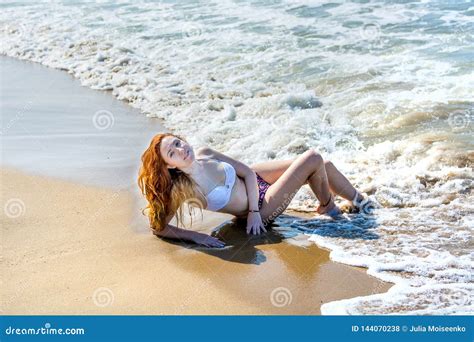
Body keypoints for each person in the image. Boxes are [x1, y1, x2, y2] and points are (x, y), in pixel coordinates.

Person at [138, 133, 367, 247]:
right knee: (313, 158)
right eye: (172, 153)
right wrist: (197, 237)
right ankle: (328, 207)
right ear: (169, 165)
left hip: (255, 181)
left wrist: (255, 210)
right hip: (260, 206)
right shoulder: (183, 190)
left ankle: (363, 203)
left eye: (177, 142)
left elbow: (246, 172)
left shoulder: (206, 153)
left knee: (323, 166)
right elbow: (158, 228)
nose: (180, 149)